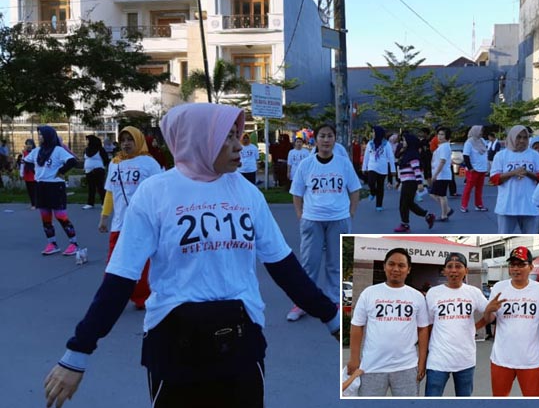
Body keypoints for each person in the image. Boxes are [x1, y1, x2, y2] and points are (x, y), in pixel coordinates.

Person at [43, 103, 340, 408]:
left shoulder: (247, 193)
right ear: (199, 139)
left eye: (238, 135)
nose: (239, 145)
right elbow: (120, 278)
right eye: (228, 137)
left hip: (240, 344)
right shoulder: (155, 193)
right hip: (174, 347)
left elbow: (283, 266)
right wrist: (78, 352)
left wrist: (330, 316)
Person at [288, 123, 361, 321]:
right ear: (316, 140)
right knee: (309, 263)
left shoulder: (343, 163)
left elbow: (355, 189)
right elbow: (297, 193)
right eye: (322, 136)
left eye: (330, 136)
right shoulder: (306, 164)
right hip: (312, 219)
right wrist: (300, 214)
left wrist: (351, 212)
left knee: (334, 263)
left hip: (339, 219)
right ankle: (303, 303)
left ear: (334, 139)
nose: (326, 140)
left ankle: (333, 300)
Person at [347, 248, 429, 396]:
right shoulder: (369, 293)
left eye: (401, 265)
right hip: (371, 367)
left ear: (408, 269)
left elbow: (423, 330)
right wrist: (354, 358)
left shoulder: (417, 297)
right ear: (384, 266)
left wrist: (422, 361)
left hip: (406, 367)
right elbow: (356, 326)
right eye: (391, 264)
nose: (396, 269)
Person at [98, 127, 163, 310]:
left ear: (138, 140)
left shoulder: (149, 163)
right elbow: (110, 193)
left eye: (130, 139)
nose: (126, 143)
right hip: (119, 224)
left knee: (142, 264)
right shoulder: (115, 163)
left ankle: (142, 297)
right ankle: (109, 298)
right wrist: (104, 217)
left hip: (143, 223)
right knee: (114, 263)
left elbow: (159, 193)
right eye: (123, 139)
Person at [482, 246, 539, 397]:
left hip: (531, 360)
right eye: (512, 265)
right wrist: (488, 310)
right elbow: (489, 319)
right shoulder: (499, 287)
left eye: (521, 265)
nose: (515, 269)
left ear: (531, 267)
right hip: (501, 358)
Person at [424, 252, 489, 396]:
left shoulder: (474, 292)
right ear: (444, 271)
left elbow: (489, 314)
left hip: (465, 359)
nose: (454, 270)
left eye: (458, 266)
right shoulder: (433, 293)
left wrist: (475, 327)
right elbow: (427, 325)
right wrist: (425, 353)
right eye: (450, 266)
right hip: (438, 359)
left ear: (466, 271)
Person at [23, 125, 80, 256]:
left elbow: (72, 161)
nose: (40, 137)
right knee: (45, 217)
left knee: (61, 216)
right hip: (41, 186)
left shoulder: (58, 150)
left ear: (49, 135)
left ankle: (74, 243)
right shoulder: (37, 151)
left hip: (55, 186)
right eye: (39, 135)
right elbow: (26, 161)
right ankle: (52, 243)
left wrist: (60, 172)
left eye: (42, 134)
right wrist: (36, 172)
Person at [489, 125, 539, 234]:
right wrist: (513, 173)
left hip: (529, 206)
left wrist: (527, 173)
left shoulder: (535, 155)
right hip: (507, 206)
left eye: (525, 138)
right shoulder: (501, 155)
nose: (522, 141)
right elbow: (494, 179)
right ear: (512, 137)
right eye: (518, 137)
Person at [392, 132, 435, 233]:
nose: (403, 142)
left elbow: (417, 170)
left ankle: (405, 224)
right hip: (406, 181)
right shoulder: (406, 153)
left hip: (411, 182)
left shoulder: (413, 155)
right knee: (409, 204)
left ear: (410, 142)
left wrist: (419, 182)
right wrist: (399, 181)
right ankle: (428, 216)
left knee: (403, 204)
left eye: (404, 140)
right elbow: (401, 168)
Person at [362, 126, 396, 212]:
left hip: (382, 168)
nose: (372, 134)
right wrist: (364, 167)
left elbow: (391, 157)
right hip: (372, 166)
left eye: (373, 132)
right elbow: (366, 156)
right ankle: (373, 192)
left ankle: (379, 205)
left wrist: (393, 169)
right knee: (371, 182)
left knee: (380, 186)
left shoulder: (386, 144)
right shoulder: (370, 144)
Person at [459, 125, 489, 213]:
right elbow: (465, 155)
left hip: (482, 169)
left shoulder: (482, 141)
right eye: (480, 131)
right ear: (475, 131)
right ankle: (463, 205)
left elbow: (485, 152)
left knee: (479, 189)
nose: (482, 133)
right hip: (474, 169)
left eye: (482, 131)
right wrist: (470, 167)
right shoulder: (469, 142)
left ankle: (479, 205)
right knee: (468, 188)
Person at [429, 127, 455, 221]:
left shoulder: (444, 147)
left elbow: (442, 161)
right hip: (440, 174)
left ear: (446, 136)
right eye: (439, 134)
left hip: (443, 174)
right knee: (433, 194)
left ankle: (444, 214)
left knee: (441, 195)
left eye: (442, 134)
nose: (440, 136)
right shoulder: (442, 146)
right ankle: (447, 209)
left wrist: (435, 174)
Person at [82, 135, 109, 210]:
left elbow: (106, 159)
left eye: (88, 140)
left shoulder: (100, 149)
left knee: (100, 187)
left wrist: (102, 167)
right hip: (88, 171)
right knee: (91, 188)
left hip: (98, 170)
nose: (87, 141)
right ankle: (90, 203)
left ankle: (104, 203)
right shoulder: (86, 149)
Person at [20, 139, 37, 209]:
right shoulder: (24, 153)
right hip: (27, 173)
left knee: (34, 190)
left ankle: (35, 204)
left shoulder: (35, 152)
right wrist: (21, 173)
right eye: (27, 144)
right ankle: (33, 203)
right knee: (29, 190)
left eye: (30, 144)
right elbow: (22, 164)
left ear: (33, 145)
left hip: (33, 173)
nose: (28, 145)